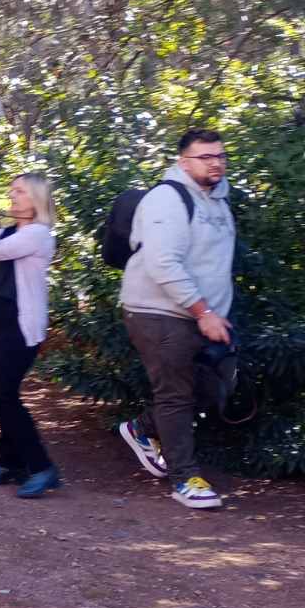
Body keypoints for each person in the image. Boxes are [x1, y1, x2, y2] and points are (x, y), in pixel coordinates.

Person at [117, 129, 236, 511]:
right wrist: (203, 312)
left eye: (220, 155)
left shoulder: (217, 199)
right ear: (184, 162)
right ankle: (185, 478)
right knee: (176, 394)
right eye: (205, 157)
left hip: (203, 316)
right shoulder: (167, 199)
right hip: (159, 313)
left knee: (213, 388)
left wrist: (213, 313)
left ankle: (140, 428)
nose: (215, 162)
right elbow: (163, 263)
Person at [0, 174, 59, 498]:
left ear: (36, 200)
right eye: (11, 190)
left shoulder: (38, 235)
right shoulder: (8, 232)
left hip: (20, 325)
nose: (11, 196)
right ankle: (11, 462)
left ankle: (41, 466)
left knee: (5, 395)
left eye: (19, 192)